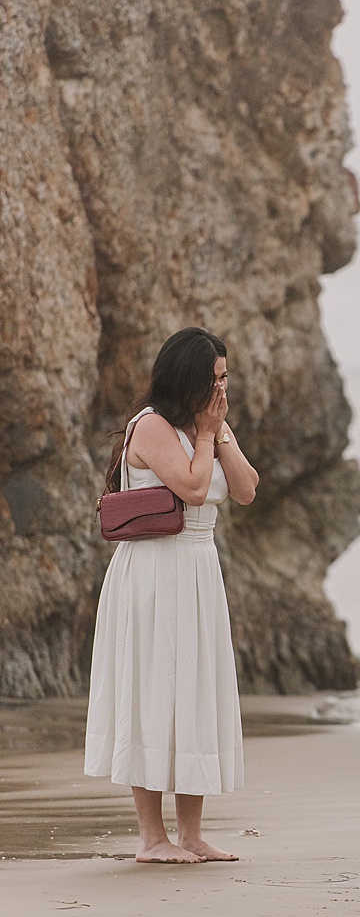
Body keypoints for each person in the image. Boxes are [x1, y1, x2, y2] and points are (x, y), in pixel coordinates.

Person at [85, 327, 260, 864]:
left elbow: (248, 489)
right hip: (155, 571)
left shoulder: (208, 427)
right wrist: (206, 436)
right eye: (214, 378)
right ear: (187, 377)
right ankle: (150, 837)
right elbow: (189, 486)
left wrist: (219, 431)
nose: (222, 388)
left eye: (226, 377)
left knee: (194, 691)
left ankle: (191, 833)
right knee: (153, 690)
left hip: (199, 568)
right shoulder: (152, 426)